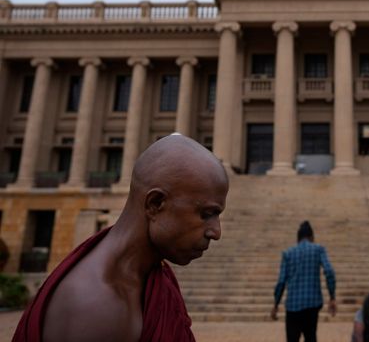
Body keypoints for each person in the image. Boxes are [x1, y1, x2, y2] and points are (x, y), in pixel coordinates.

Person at [13, 133, 229, 342]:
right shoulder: (96, 309)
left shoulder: (146, 274)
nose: (216, 232)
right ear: (155, 204)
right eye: (207, 214)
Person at [272, 221, 337, 342]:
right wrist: (332, 296)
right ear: (312, 237)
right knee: (311, 337)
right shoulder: (319, 249)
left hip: (293, 306)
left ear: (298, 238)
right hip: (312, 304)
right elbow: (329, 272)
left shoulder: (288, 253)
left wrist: (276, 304)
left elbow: (281, 282)